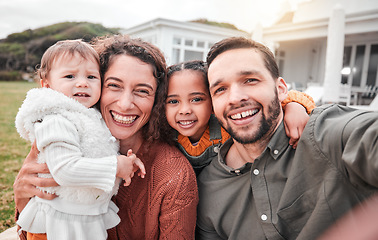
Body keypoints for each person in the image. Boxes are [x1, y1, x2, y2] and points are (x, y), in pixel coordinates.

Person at [14, 35, 199, 240]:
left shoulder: (174, 176)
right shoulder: (65, 137)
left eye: (142, 91)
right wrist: (21, 200)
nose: (125, 104)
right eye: (114, 86)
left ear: (156, 100)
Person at [196, 37, 378, 240]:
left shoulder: (325, 135)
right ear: (212, 106)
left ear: (282, 89)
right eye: (220, 89)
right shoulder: (207, 189)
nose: (235, 98)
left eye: (250, 80)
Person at [14, 39, 146, 240]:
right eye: (70, 76)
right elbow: (64, 170)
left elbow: (97, 151)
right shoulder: (56, 119)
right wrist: (116, 166)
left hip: (82, 219)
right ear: (47, 85)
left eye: (92, 76)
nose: (83, 82)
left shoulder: (91, 117)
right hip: (55, 224)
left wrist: (127, 162)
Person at [165, 60, 315, 176]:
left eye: (196, 99)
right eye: (173, 101)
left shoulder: (227, 123)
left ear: (213, 101)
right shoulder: (164, 132)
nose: (184, 110)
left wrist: (295, 106)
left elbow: (282, 96)